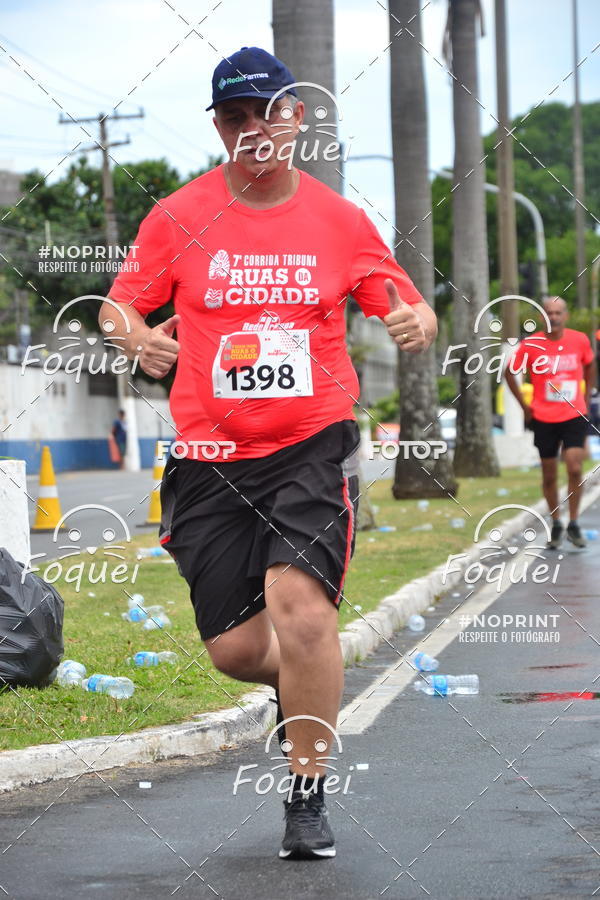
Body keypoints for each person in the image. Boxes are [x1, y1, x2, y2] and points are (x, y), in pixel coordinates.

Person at [100, 46, 437, 860]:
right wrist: (138, 336)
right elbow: (116, 307)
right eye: (236, 116)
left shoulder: (340, 220)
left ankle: (308, 793)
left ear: (296, 117)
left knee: (305, 616)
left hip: (309, 444)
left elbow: (409, 306)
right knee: (238, 650)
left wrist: (418, 324)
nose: (254, 128)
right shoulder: (178, 215)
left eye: (269, 112)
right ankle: (300, 689)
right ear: (219, 126)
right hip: (210, 456)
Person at [505, 296, 595, 549]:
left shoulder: (579, 340)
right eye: (548, 313)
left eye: (558, 312)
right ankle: (556, 521)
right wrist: (525, 407)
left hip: (574, 413)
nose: (553, 317)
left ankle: (574, 522)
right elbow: (509, 372)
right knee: (549, 474)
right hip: (543, 417)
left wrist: (586, 396)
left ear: (565, 316)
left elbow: (590, 365)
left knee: (575, 467)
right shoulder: (531, 345)